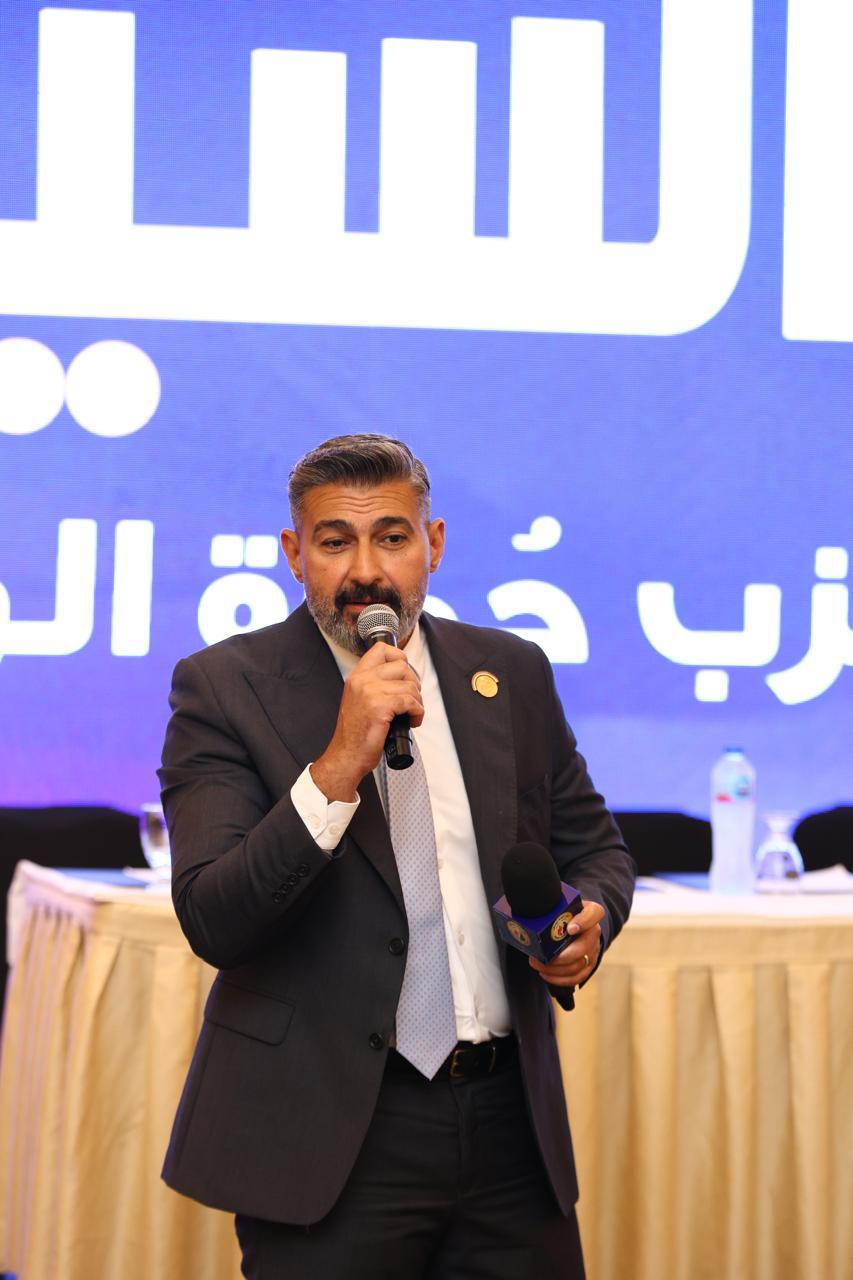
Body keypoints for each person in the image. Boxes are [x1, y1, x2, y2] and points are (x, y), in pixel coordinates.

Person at [159, 433, 635, 1279]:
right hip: (328, 1133)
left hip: (507, 1125)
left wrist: (589, 920)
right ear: (293, 553)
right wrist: (339, 762)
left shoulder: (509, 671)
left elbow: (592, 847)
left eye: (391, 537)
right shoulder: (225, 688)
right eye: (334, 542)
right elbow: (214, 917)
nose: (365, 571)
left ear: (433, 544)